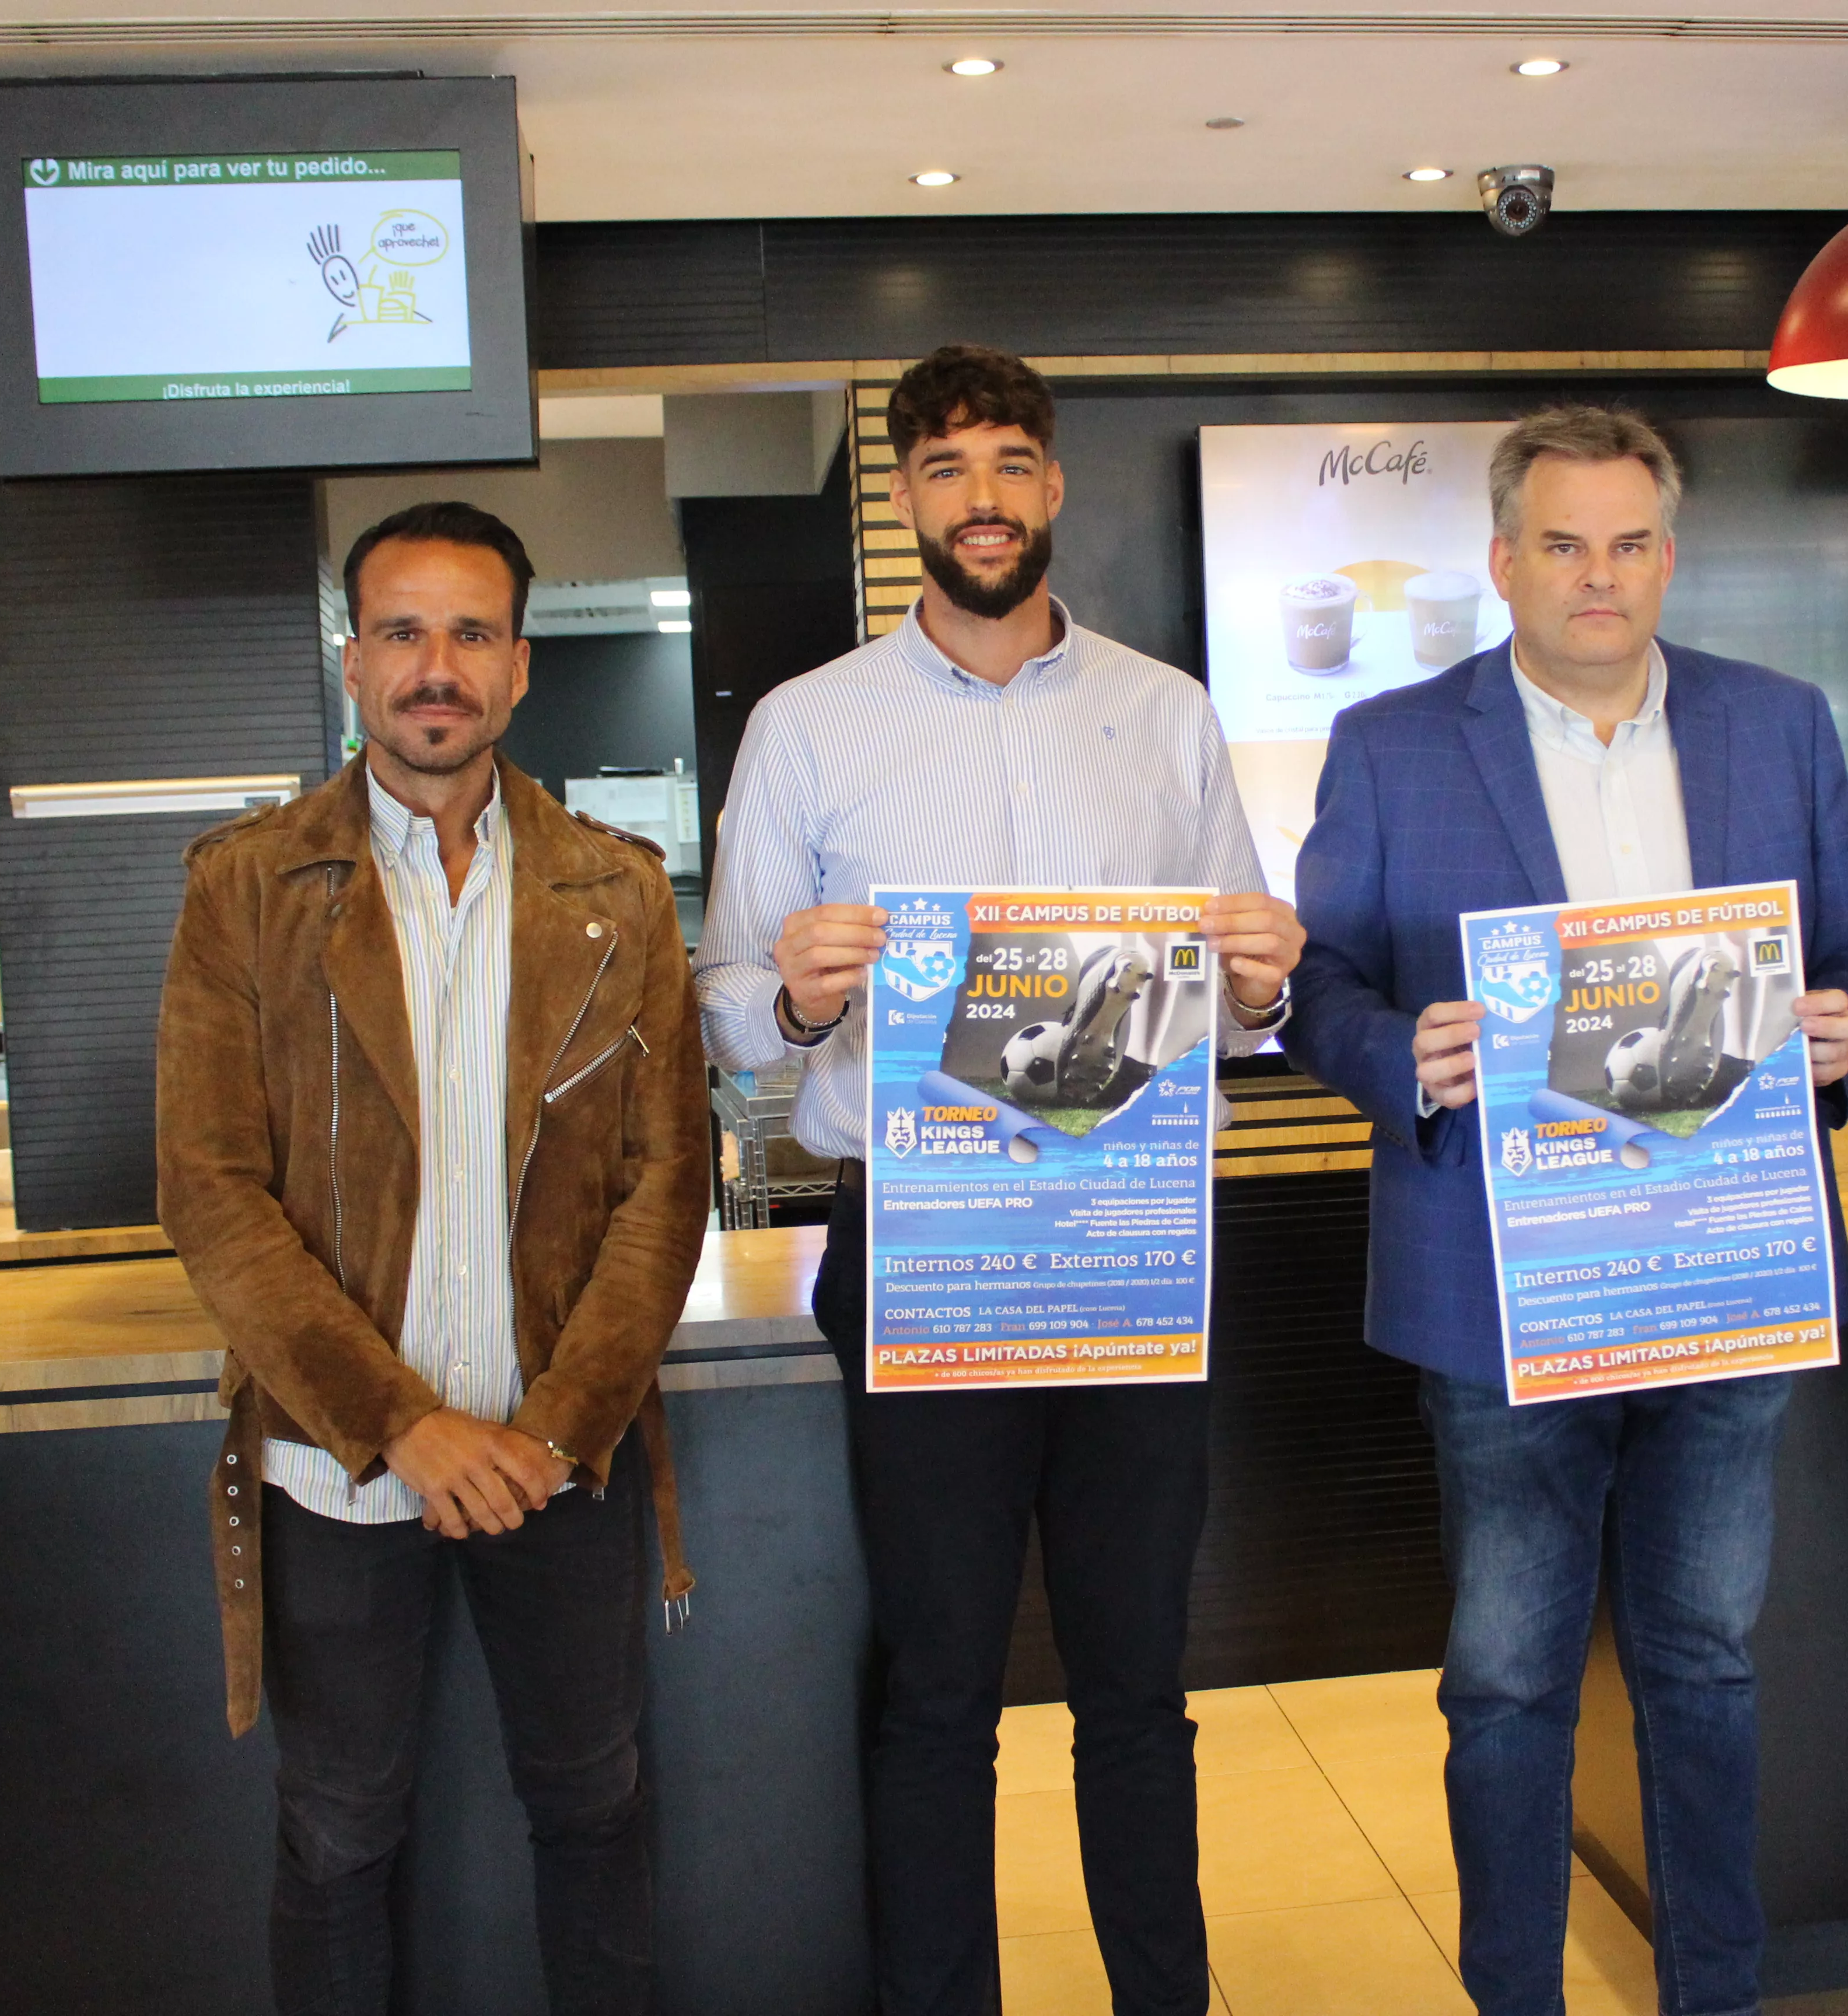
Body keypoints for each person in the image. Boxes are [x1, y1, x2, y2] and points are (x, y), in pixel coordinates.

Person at [695, 343, 1306, 2016]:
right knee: (940, 1687)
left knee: (1135, 1683)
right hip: (922, 1243)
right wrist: (803, 992)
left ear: (1053, 488)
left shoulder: (1163, 712)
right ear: (906, 501)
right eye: (950, 466)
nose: (984, 496)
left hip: (1125, 1236)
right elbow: (732, 1024)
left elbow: (1240, 1011)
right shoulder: (812, 731)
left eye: (1013, 462)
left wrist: (1263, 983)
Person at [1284, 405, 1848, 2016]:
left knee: (1703, 1662)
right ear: (1504, 562)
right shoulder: (1391, 742)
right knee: (1506, 1681)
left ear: (1668, 557)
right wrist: (1395, 1054)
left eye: (1630, 543)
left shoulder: (1777, 724)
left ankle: (1715, 1995)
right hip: (1502, 1289)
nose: (1598, 577)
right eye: (1563, 544)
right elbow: (1317, 987)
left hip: (1728, 1270)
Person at [156, 500, 712, 2016]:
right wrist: (404, 1421)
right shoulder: (246, 890)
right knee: (339, 1839)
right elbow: (209, 1192)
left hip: (562, 1458)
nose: (436, 666)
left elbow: (669, 1184)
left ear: (520, 667)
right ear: (355, 663)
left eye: (470, 632)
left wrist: (554, 1425)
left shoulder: (617, 890)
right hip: (340, 1471)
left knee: (596, 1809)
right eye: (403, 631)